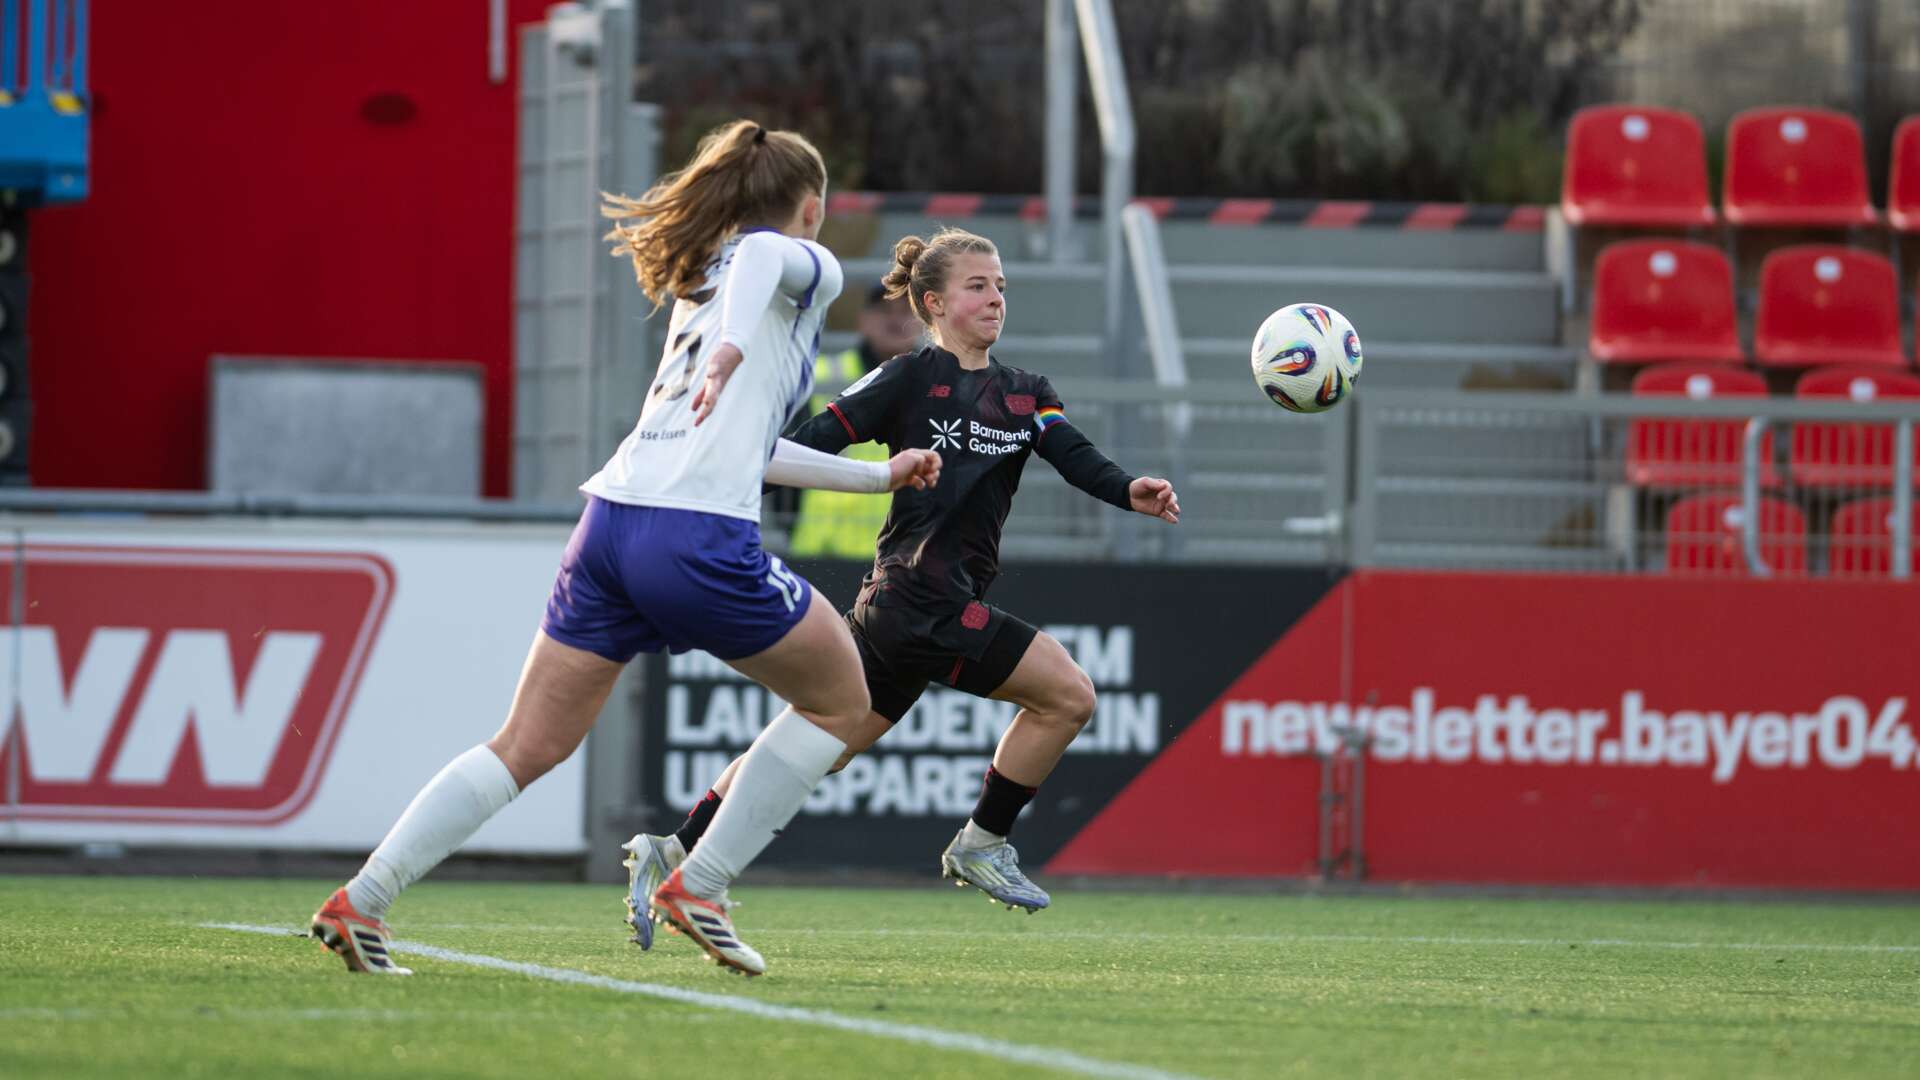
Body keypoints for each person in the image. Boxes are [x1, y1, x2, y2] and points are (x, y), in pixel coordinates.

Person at [308, 119, 942, 979]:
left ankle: (363, 900)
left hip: (611, 524)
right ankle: (703, 884)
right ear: (812, 207)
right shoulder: (795, 263)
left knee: (525, 744)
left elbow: (751, 445)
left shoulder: (703, 281)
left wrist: (876, 479)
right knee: (842, 700)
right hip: (694, 537)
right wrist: (728, 350)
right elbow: (763, 256)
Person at [622, 227, 1179, 944]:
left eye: (1001, 285)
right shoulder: (906, 378)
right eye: (978, 286)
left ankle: (672, 850)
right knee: (1069, 695)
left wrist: (1128, 487)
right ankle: (982, 842)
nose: (995, 297)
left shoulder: (1026, 395)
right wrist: (729, 463)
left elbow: (1075, 456)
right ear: (933, 303)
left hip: (907, 613)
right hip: (919, 602)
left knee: (816, 746)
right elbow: (813, 438)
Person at [787, 283, 924, 558]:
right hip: (821, 546)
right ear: (863, 321)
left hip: (905, 553)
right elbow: (787, 452)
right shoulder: (821, 376)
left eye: (906, 311)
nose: (896, 320)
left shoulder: (939, 384)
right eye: (885, 310)